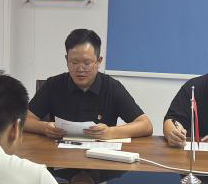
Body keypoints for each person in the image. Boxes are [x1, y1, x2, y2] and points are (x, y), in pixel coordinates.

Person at [25, 28, 153, 140]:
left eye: (87, 63)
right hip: (59, 155)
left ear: (99, 61)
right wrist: (44, 128)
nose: (80, 69)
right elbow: (24, 119)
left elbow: (145, 125)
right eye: (74, 62)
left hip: (99, 157)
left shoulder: (111, 87)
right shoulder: (53, 85)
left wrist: (111, 132)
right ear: (66, 60)